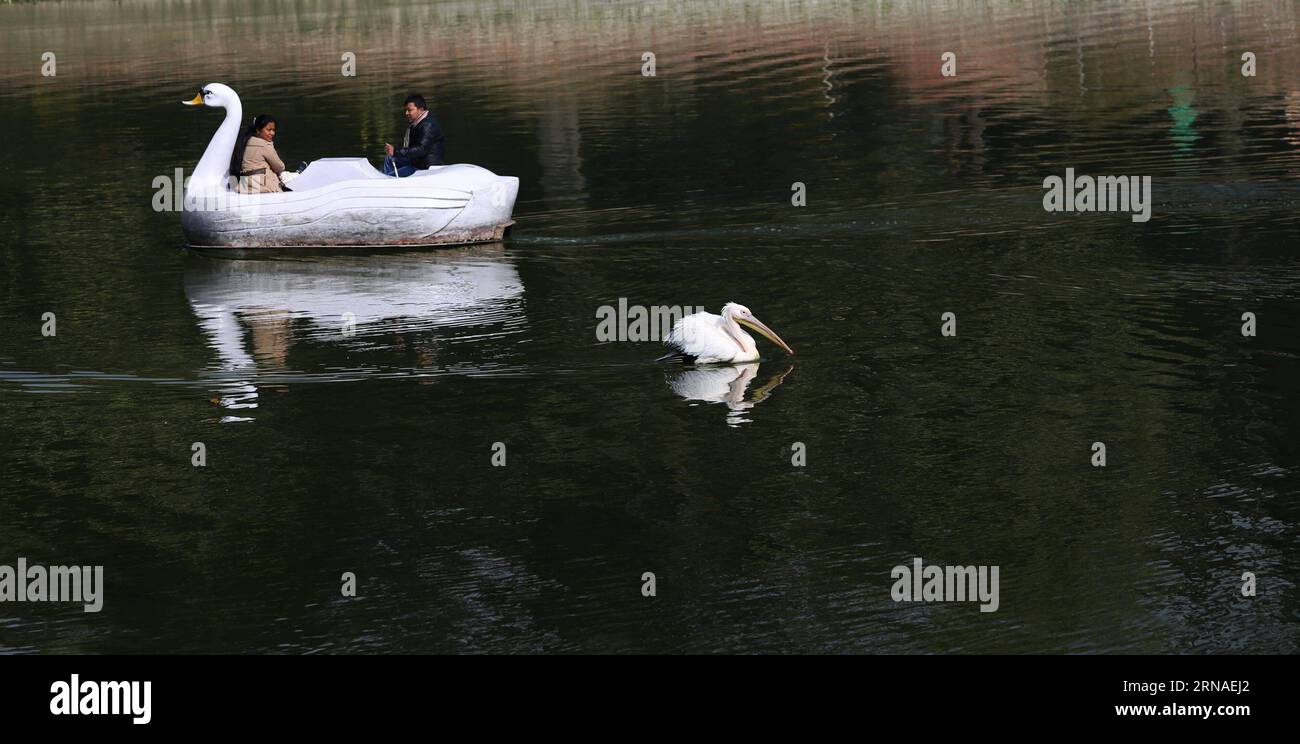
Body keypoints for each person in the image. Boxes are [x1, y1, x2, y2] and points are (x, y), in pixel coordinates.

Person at [383, 94, 445, 177]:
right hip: (416, 161)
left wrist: (395, 151)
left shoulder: (428, 125)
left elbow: (421, 149)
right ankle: (386, 178)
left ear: (421, 109)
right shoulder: (416, 123)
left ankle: (388, 181)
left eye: (410, 110)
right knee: (389, 158)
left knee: (392, 175)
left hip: (425, 167)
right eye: (406, 110)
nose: (406, 113)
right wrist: (394, 153)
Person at [231, 114, 292, 193]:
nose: (272, 133)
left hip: (245, 184)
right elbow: (279, 167)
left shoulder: (244, 142)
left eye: (273, 130)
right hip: (262, 185)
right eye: (269, 130)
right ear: (258, 130)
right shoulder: (265, 145)